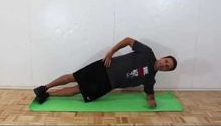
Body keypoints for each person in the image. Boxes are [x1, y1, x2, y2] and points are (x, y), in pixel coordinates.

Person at [33, 37, 177, 108]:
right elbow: (128, 40)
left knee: (78, 89)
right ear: (163, 58)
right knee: (74, 77)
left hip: (107, 84)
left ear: (166, 71)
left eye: (168, 67)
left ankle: (47, 94)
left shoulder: (150, 79)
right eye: (166, 61)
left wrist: (152, 102)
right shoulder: (147, 52)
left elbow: (150, 95)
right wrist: (111, 52)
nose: (164, 65)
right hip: (104, 67)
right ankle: (45, 87)